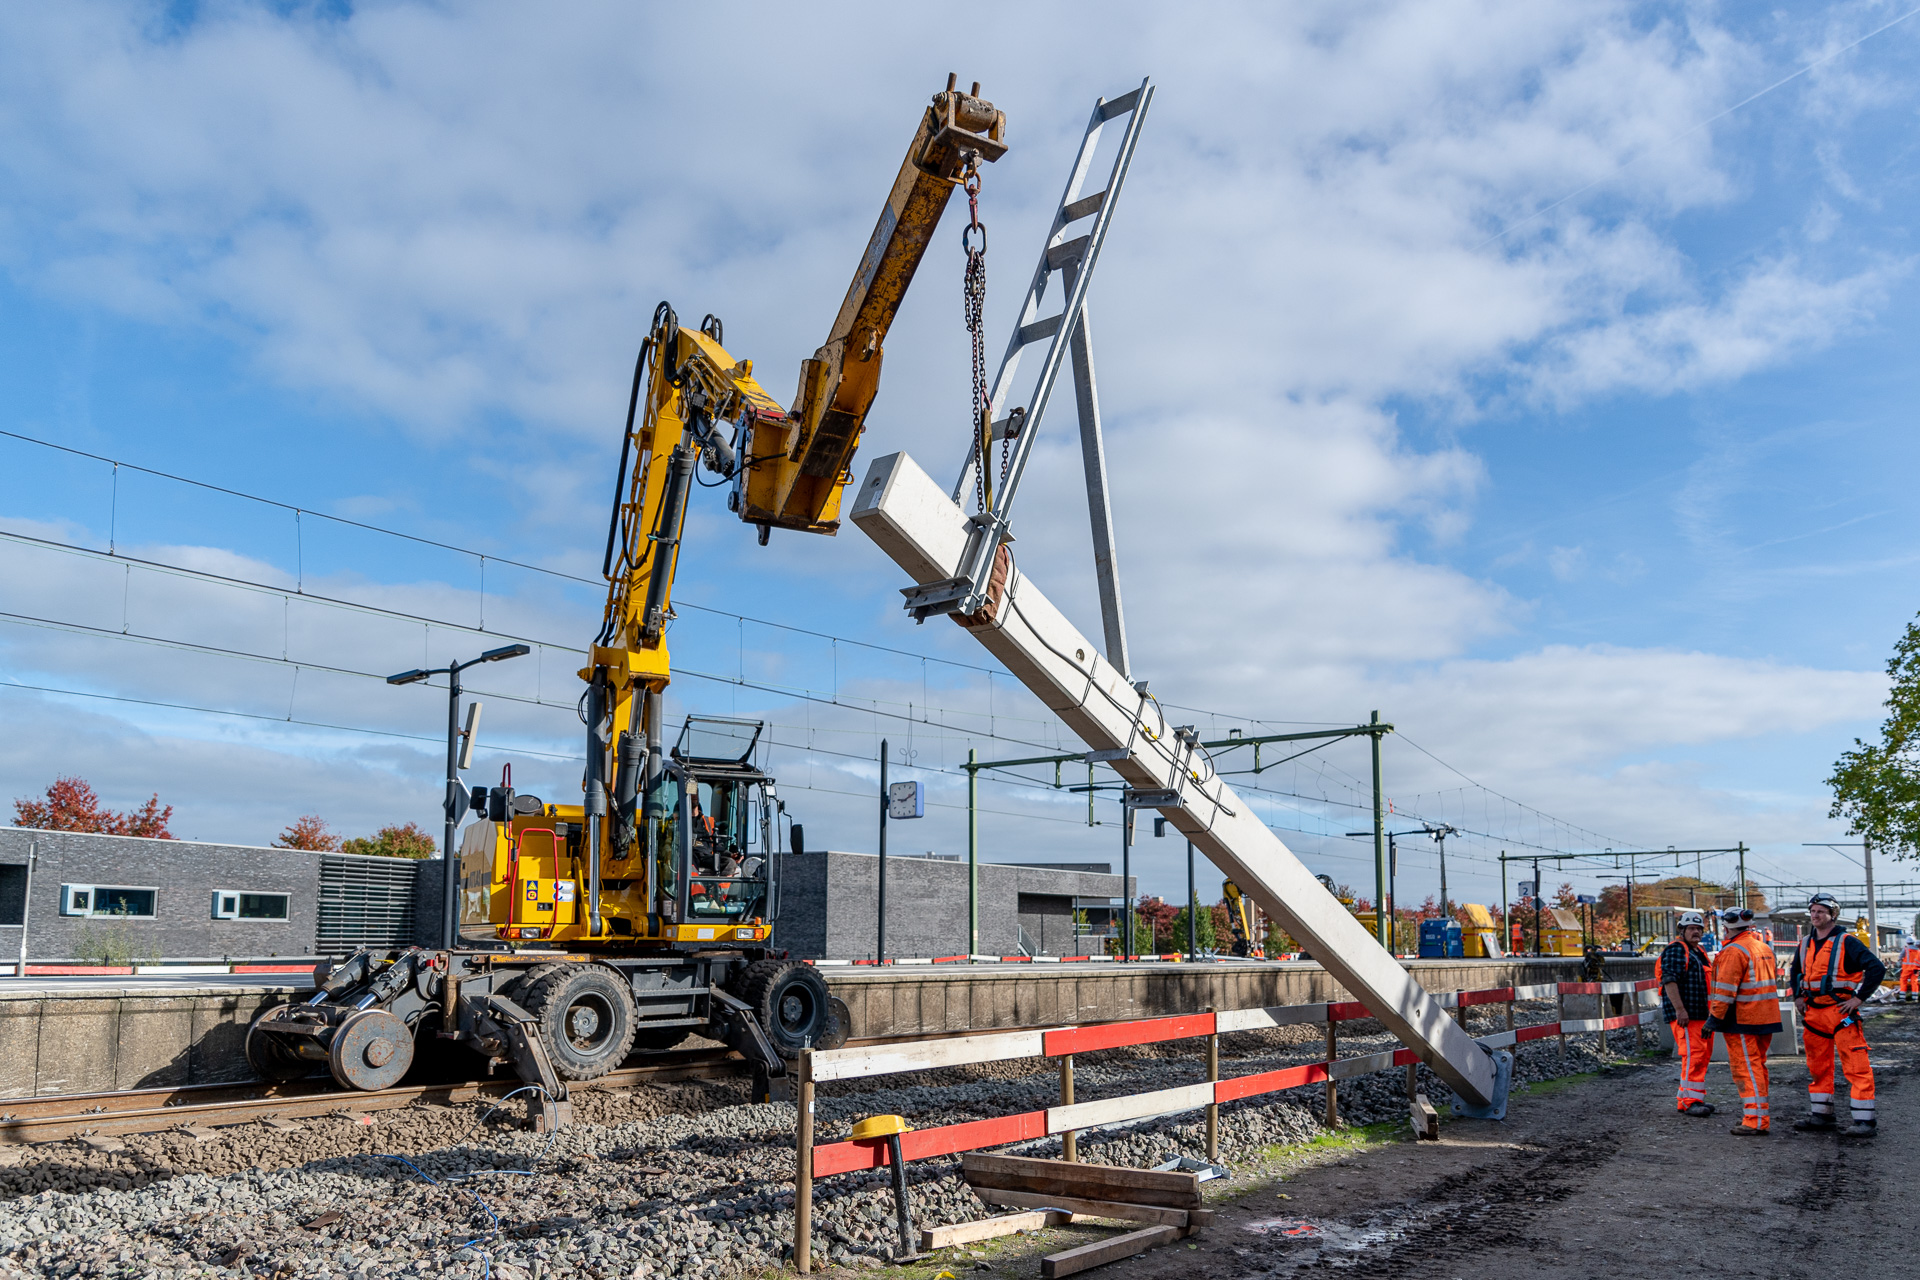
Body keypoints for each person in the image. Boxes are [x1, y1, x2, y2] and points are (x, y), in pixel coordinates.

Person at [1790, 892, 1886, 1138]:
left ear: (1832, 914)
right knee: (1817, 1066)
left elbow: (1876, 968)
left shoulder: (1847, 941)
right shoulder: (1804, 944)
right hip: (1814, 1014)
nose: (1815, 915)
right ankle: (1822, 1116)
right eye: (1812, 911)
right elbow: (1795, 971)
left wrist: (1858, 998)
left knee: (1856, 1065)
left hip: (1840, 1013)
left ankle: (1864, 1121)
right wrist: (1798, 997)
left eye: (1820, 911)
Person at [1707, 906, 1781, 1136]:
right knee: (1757, 1067)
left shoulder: (1733, 952)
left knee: (1746, 1069)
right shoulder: (1762, 947)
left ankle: (1755, 1120)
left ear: (1726, 926)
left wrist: (1713, 1019)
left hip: (1743, 1018)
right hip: (1764, 1017)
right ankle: (1759, 1115)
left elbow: (1725, 991)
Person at [1659, 910, 1714, 1117]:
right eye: (1691, 928)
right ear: (1682, 930)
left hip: (1700, 1015)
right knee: (1693, 1056)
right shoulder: (1676, 950)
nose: (1696, 932)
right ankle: (1690, 1101)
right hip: (1687, 1016)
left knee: (1700, 1057)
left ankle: (1690, 1098)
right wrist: (1680, 1010)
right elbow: (1669, 980)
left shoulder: (1698, 952)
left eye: (1699, 928)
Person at [1898, 937, 1920, 1003]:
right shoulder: (1918, 950)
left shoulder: (1906, 949)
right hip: (1916, 969)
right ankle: (1915, 998)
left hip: (1906, 969)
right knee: (1914, 982)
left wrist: (1900, 961)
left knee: (1903, 981)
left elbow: (1900, 957)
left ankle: (1902, 998)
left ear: (1907, 942)